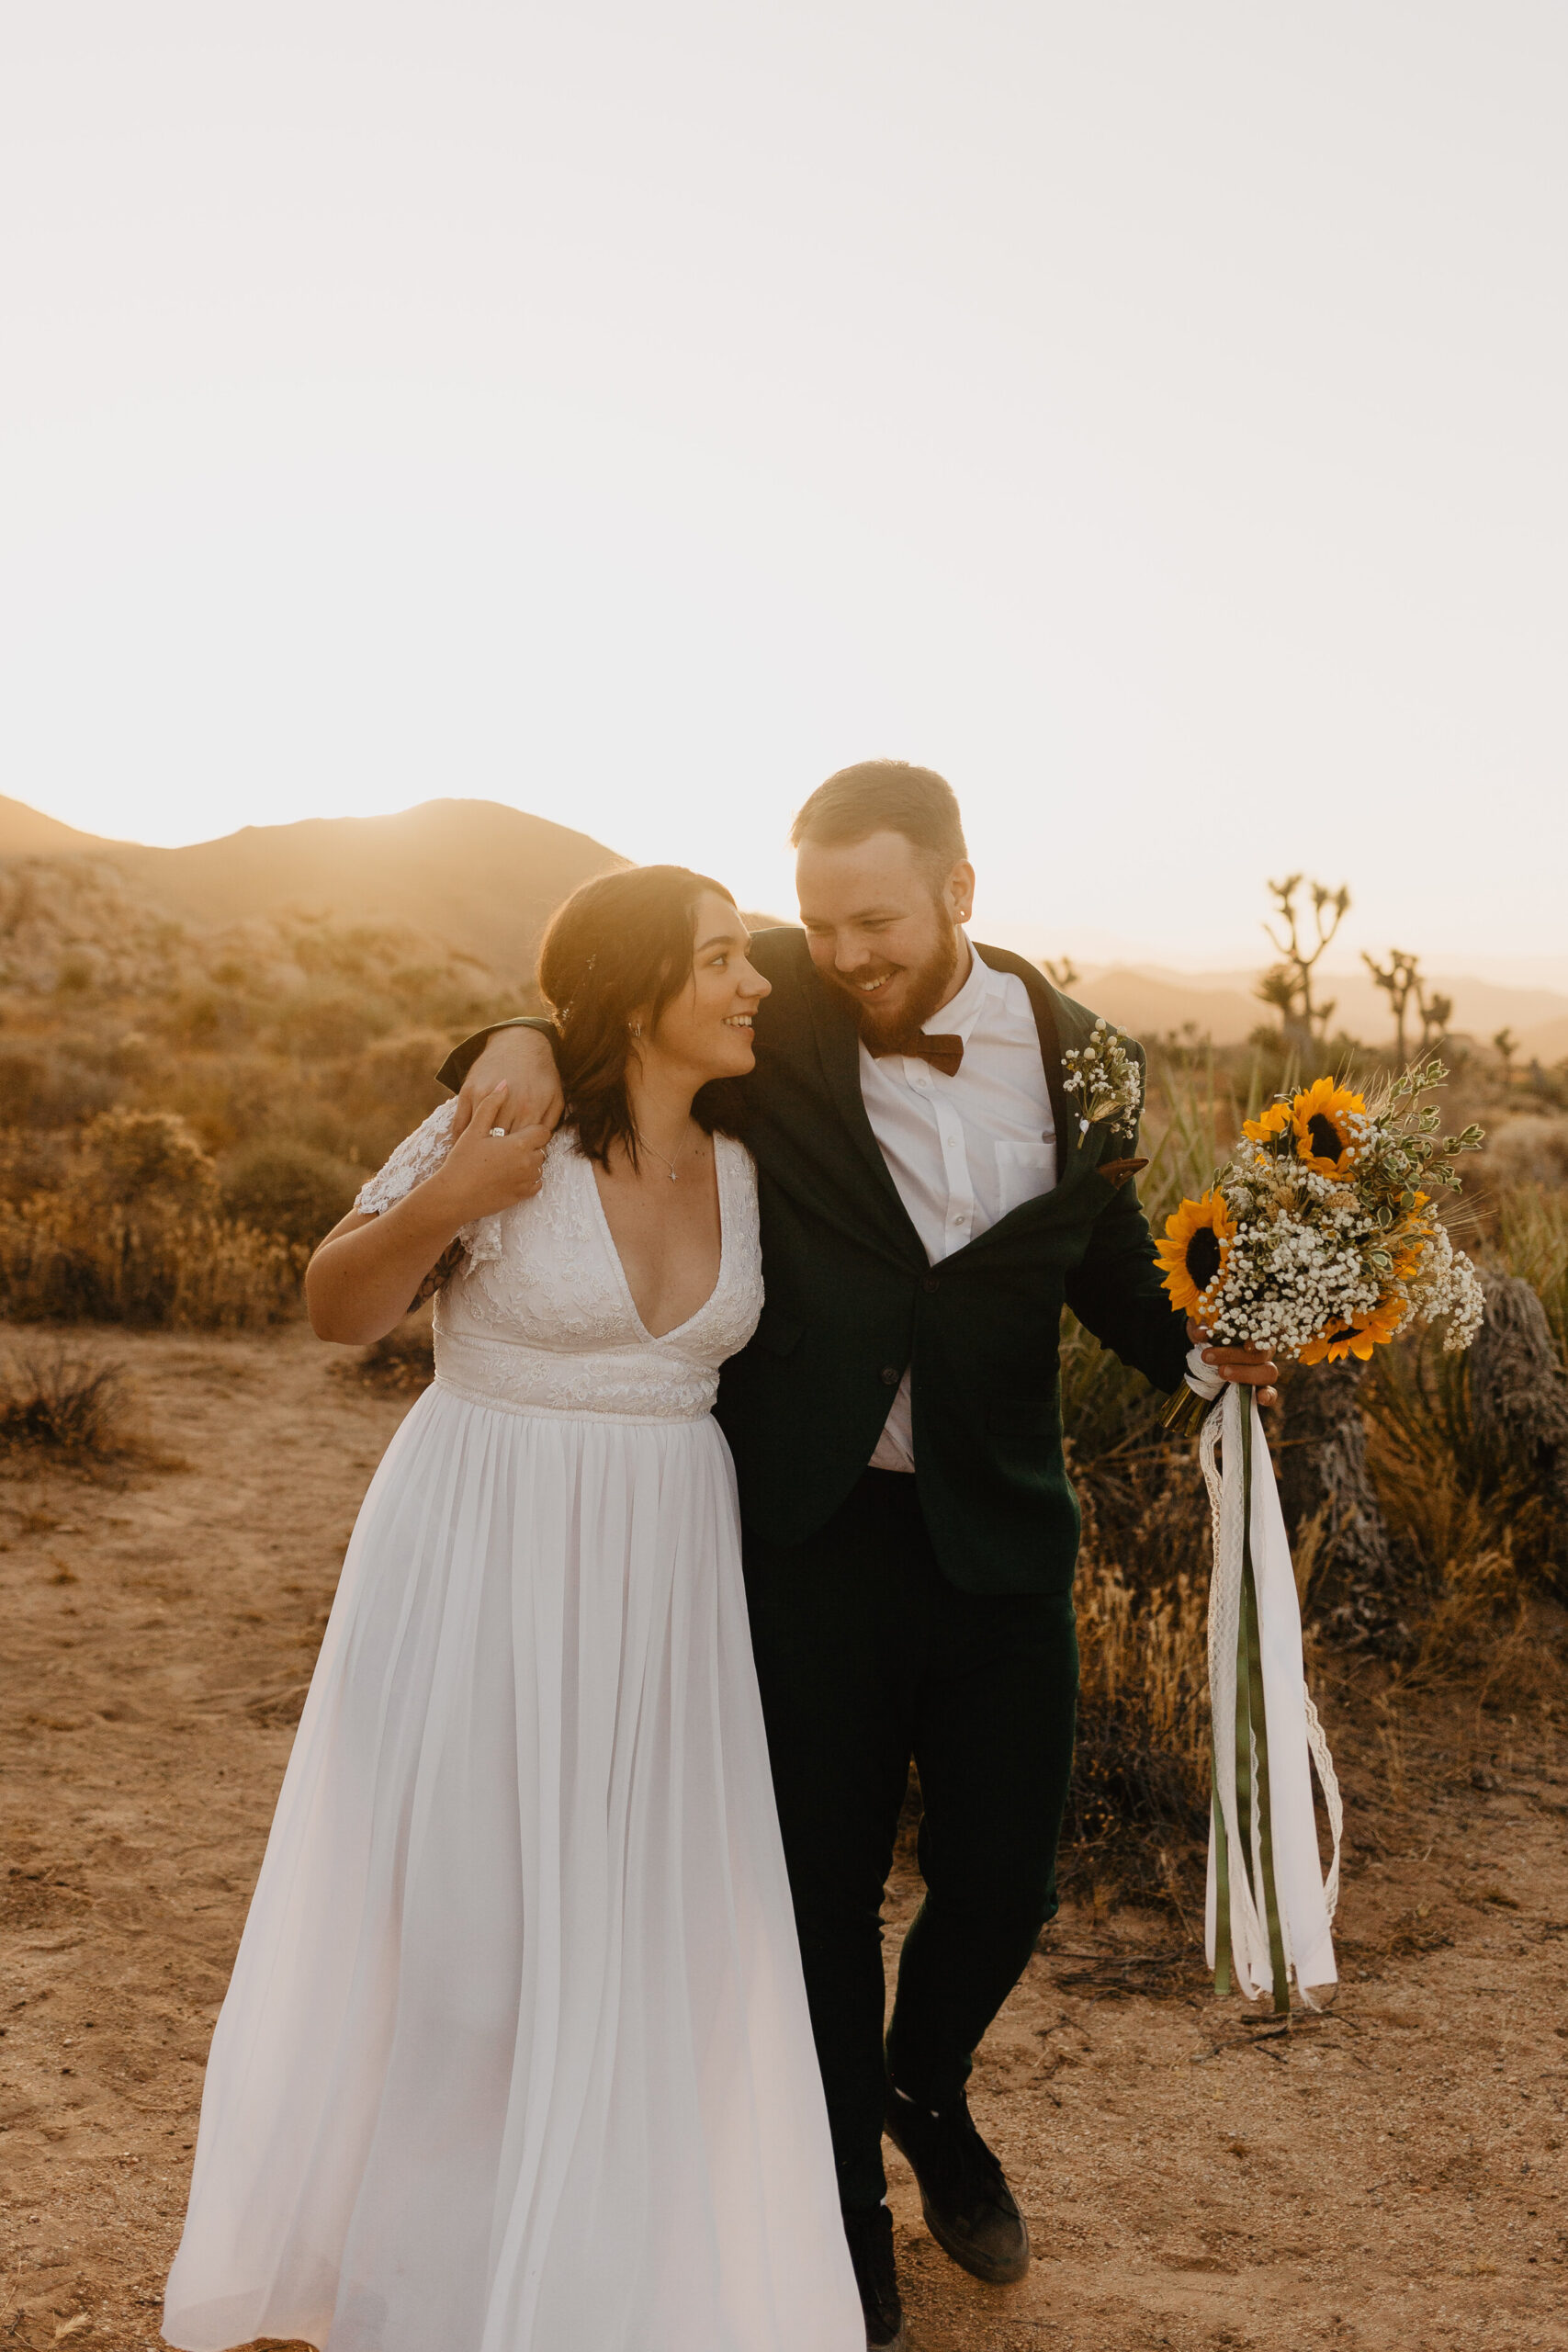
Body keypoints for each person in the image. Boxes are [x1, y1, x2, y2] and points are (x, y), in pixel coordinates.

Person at [450, 761, 1280, 2352]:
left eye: (876, 920)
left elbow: (1102, 1257)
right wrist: (501, 1037)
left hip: (999, 1531)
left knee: (1005, 1880)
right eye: (818, 920)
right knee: (818, 1895)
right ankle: (844, 2225)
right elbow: (606, 1008)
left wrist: (1208, 1354)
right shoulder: (783, 1006)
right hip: (806, 1533)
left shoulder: (1090, 1058)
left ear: (963, 890)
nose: (840, 954)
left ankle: (930, 2083)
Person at [162, 865, 864, 2352]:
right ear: (633, 993)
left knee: (635, 1957)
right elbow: (337, 1308)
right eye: (723, 958)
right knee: (474, 1959)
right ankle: (423, 2303)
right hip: (481, 1561)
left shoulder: (754, 1149)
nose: (756, 985)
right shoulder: (509, 1130)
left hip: (664, 1586)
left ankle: (594, 2294)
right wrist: (452, 1195)